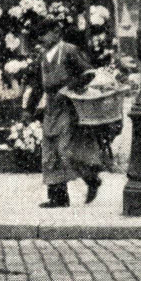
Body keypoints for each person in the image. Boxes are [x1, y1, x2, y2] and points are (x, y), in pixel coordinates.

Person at [30, 21, 105, 209]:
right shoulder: (42, 56)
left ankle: (91, 179)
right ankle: (58, 198)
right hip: (51, 107)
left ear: (56, 32)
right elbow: (39, 85)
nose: (42, 38)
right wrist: (28, 109)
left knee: (66, 150)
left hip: (68, 107)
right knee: (49, 151)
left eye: (45, 33)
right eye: (40, 35)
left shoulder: (69, 51)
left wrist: (69, 87)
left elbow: (88, 73)